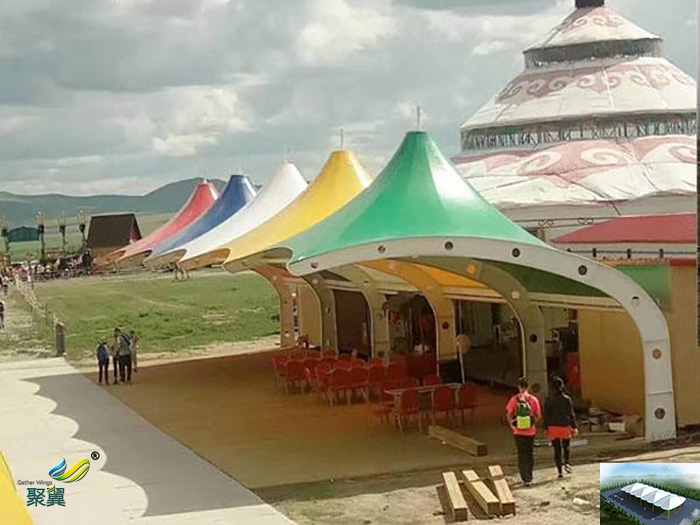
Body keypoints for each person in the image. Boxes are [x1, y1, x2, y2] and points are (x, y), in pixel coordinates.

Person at [505, 377, 542, 486]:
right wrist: (531, 423)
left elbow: (508, 414)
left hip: (518, 432)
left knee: (521, 454)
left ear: (519, 387)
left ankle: (524, 476)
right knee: (529, 453)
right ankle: (529, 476)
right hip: (530, 432)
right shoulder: (533, 399)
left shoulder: (514, 399)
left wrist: (513, 425)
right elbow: (538, 415)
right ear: (528, 387)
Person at [544, 376, 577, 478]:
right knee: (566, 446)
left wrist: (546, 428)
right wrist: (574, 427)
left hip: (553, 427)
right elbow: (571, 414)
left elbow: (546, 415)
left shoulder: (549, 400)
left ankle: (560, 472)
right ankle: (566, 462)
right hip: (564, 426)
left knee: (557, 449)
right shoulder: (567, 399)